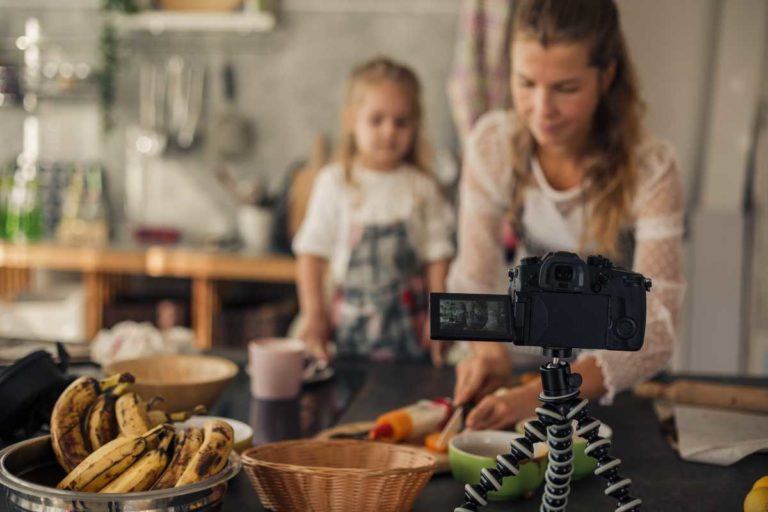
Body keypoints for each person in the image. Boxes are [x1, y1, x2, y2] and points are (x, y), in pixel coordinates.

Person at [448, 0, 685, 430]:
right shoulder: (492, 145)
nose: (542, 110)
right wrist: (488, 353)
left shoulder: (651, 168)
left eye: (566, 88)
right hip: (523, 369)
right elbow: (474, 278)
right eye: (525, 83)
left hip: (613, 384)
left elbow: (658, 324)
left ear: (606, 75)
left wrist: (537, 395)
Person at [293, 56, 454, 365]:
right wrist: (315, 316)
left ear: (416, 124)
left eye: (401, 121)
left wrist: (439, 317)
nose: (390, 131)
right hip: (346, 338)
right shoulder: (335, 182)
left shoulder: (423, 186)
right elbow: (310, 255)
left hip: (411, 338)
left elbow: (438, 256)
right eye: (377, 119)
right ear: (352, 120)